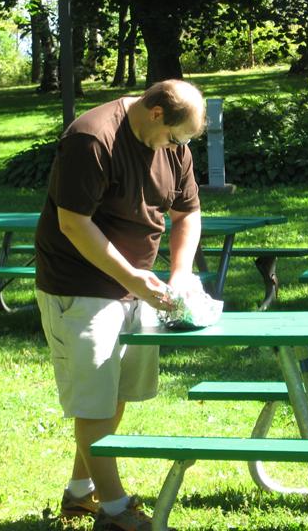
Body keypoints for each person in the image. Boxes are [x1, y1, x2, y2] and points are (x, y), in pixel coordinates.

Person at [34, 79, 205, 530]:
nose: (178, 146)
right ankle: (114, 511)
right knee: (93, 402)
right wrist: (131, 277)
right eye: (175, 136)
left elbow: (187, 213)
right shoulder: (92, 138)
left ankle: (79, 493)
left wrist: (180, 274)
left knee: (112, 396)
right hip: (80, 285)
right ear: (154, 113)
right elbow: (73, 223)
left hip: (137, 285)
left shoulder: (172, 146)